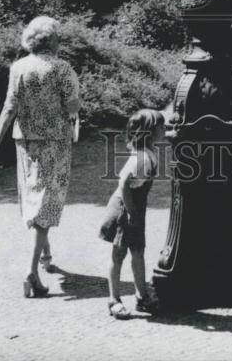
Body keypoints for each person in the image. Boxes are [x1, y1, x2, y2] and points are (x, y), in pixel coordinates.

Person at [0, 15, 80, 298]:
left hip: (24, 142)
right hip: (56, 142)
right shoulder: (62, 68)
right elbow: (72, 106)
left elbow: (8, 107)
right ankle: (31, 273)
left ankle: (44, 256)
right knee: (47, 203)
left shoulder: (18, 67)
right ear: (52, 40)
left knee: (34, 197)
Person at [99, 109, 165, 319]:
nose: (164, 130)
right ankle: (114, 299)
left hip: (135, 208)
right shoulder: (142, 158)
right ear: (150, 132)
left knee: (137, 251)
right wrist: (130, 211)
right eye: (161, 128)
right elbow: (124, 182)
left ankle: (141, 295)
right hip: (125, 209)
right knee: (118, 254)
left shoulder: (148, 152)